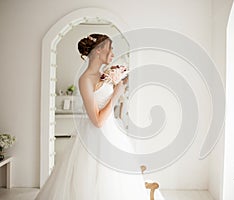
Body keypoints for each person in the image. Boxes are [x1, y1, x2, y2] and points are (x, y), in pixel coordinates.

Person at [35, 34, 149, 200]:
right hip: (94, 138)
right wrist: (116, 95)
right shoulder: (85, 80)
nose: (112, 52)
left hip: (112, 134)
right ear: (98, 51)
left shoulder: (105, 75)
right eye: (110, 48)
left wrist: (120, 82)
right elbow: (97, 121)